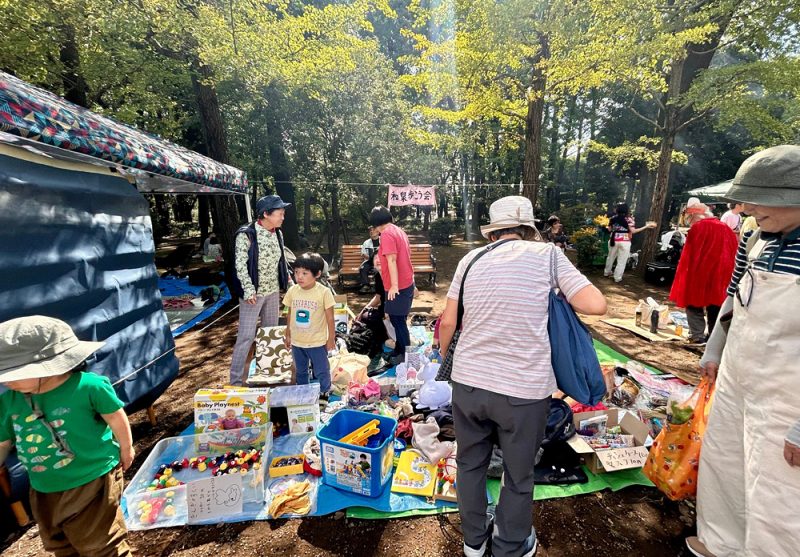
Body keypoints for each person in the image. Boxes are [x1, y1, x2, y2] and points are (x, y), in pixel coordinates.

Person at [438, 196, 607, 557]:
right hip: (522, 391)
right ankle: (510, 545)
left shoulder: (469, 260)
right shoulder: (547, 255)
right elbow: (596, 305)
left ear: (492, 233)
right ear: (529, 229)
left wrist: (446, 360)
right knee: (518, 474)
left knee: (469, 464)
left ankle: (473, 542)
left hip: (468, 384)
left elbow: (448, 324)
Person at [686, 146, 800, 557]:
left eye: (759, 199)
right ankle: (720, 542)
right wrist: (714, 350)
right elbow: (735, 299)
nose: (747, 208)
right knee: (727, 463)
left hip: (788, 395)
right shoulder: (756, 239)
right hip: (739, 373)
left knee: (777, 491)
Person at [0, 316, 134, 556]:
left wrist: (126, 447)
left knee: (100, 544)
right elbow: (4, 439)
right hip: (44, 487)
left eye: (12, 373)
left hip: (92, 478)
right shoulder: (9, 401)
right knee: (61, 545)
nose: (6, 381)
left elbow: (115, 416)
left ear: (47, 364)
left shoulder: (89, 386)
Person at [229, 195, 293, 386]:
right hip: (253, 295)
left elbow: (282, 262)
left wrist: (289, 283)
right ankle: (236, 381)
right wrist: (248, 290)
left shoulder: (278, 234)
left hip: (273, 292)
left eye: (283, 213)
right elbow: (240, 265)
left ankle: (268, 375)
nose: (283, 217)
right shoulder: (246, 234)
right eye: (279, 213)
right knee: (246, 336)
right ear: (266, 214)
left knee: (269, 334)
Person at [669, 197, 738, 344]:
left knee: (693, 302)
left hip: (700, 273)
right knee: (716, 305)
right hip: (721, 275)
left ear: (694, 215)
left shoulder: (698, 228)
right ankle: (714, 338)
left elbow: (689, 255)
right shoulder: (726, 229)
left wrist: (684, 275)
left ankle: (698, 335)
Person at [282, 252, 336, 397]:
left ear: (317, 274)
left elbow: (330, 318)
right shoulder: (293, 290)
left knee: (321, 369)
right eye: (296, 272)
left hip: (317, 342)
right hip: (298, 341)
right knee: (300, 370)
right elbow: (290, 313)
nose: (299, 277)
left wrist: (331, 338)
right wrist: (288, 334)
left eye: (305, 273)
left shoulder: (324, 292)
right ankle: (303, 392)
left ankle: (325, 390)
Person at [370, 206, 414, 366]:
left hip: (399, 286)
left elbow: (392, 260)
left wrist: (394, 286)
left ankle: (405, 355)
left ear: (376, 223)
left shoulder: (387, 234)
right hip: (405, 282)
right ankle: (399, 350)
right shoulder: (398, 230)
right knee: (397, 320)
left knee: (399, 321)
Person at [603, 203, 656, 282]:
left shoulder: (612, 218)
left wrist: (607, 226)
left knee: (610, 257)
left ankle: (606, 273)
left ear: (617, 210)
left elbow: (609, 230)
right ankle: (617, 278)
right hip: (625, 241)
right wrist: (646, 226)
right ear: (626, 210)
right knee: (621, 260)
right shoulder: (629, 219)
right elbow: (633, 231)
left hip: (613, 240)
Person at [358, 226, 381, 292]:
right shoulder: (366, 242)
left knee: (378, 269)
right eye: (370, 231)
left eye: (373, 230)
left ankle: (376, 286)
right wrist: (370, 257)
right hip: (369, 261)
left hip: (380, 262)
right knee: (363, 268)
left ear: (378, 232)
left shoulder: (383, 240)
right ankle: (366, 285)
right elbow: (363, 253)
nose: (371, 232)